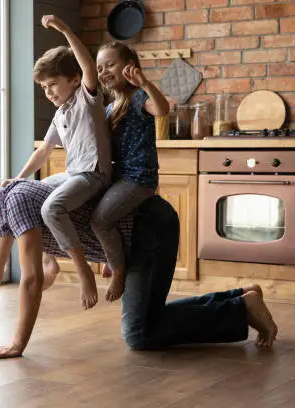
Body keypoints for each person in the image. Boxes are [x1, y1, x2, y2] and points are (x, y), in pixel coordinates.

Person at [0, 160, 278, 360]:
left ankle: (241, 310)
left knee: (139, 333)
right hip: (136, 235)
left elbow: (29, 280)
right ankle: (241, 301)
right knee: (145, 324)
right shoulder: (4, 209)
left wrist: (17, 345)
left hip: (148, 228)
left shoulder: (16, 200)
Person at [4, 15, 112, 310]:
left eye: (52, 84)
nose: (48, 92)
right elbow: (44, 151)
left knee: (51, 207)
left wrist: (65, 29)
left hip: (94, 174)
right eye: (44, 88)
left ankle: (83, 272)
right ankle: (48, 260)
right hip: (72, 174)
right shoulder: (61, 112)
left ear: (74, 80)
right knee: (26, 193)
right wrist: (19, 177)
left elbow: (88, 66)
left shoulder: (86, 100)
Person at [89, 42, 170, 303]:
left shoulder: (138, 98)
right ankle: (110, 256)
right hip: (121, 176)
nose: (103, 72)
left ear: (130, 66)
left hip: (139, 178)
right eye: (99, 68)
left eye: (110, 64)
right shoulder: (111, 107)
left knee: (100, 220)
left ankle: (119, 269)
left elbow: (163, 109)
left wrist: (145, 83)